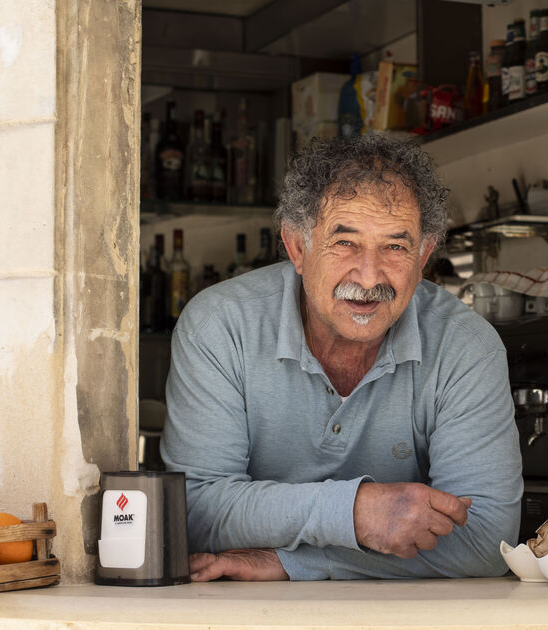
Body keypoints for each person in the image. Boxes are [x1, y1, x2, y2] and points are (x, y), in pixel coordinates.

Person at [162, 134, 522, 581]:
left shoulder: (466, 347)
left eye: (395, 246)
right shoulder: (221, 325)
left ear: (424, 256)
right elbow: (194, 512)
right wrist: (353, 512)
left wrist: (294, 562)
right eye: (345, 243)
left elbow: (486, 541)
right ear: (296, 248)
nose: (369, 276)